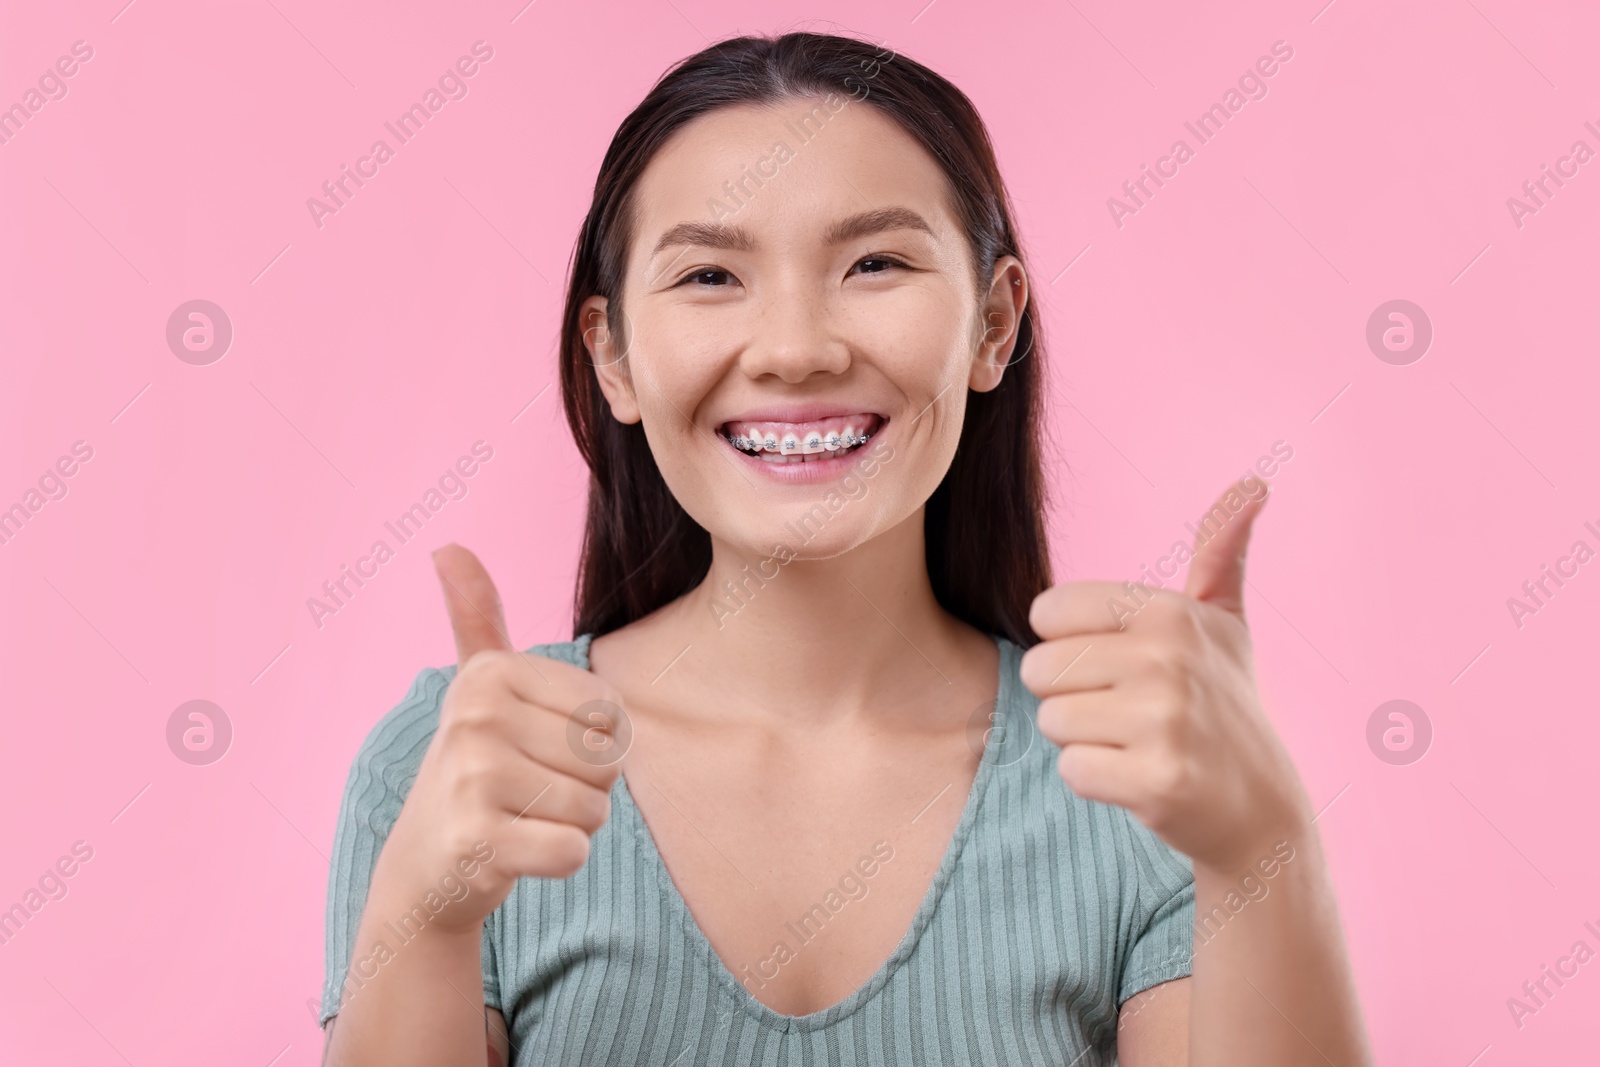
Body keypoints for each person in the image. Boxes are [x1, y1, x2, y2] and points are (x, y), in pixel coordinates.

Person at [319, 30, 1372, 1066]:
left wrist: (1260, 846)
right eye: (708, 277)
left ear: (994, 325)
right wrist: (427, 915)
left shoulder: (1141, 773)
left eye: (875, 262)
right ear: (613, 356)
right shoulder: (452, 766)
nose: (796, 349)